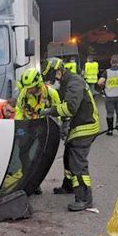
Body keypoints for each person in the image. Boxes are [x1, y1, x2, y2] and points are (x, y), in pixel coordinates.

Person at [41, 57, 100, 211]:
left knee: (77, 162)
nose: (52, 82)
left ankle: (85, 198)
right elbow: (60, 101)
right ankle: (69, 186)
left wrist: (50, 111)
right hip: (79, 123)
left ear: (59, 72)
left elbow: (70, 107)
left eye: (51, 78)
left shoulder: (74, 82)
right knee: (68, 155)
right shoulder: (65, 83)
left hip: (87, 125)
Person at [15, 68, 61, 195]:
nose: (28, 91)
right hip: (29, 126)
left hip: (44, 128)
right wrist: (19, 128)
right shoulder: (23, 94)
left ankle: (36, 183)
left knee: (40, 156)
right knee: (23, 154)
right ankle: (28, 180)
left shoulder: (51, 93)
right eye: (27, 88)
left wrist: (60, 128)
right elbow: (19, 111)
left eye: (31, 88)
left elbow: (59, 111)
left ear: (38, 84)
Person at [97, 54, 118, 135]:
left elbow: (99, 82)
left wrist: (104, 86)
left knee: (109, 113)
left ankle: (110, 130)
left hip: (109, 96)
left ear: (110, 62)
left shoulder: (107, 72)